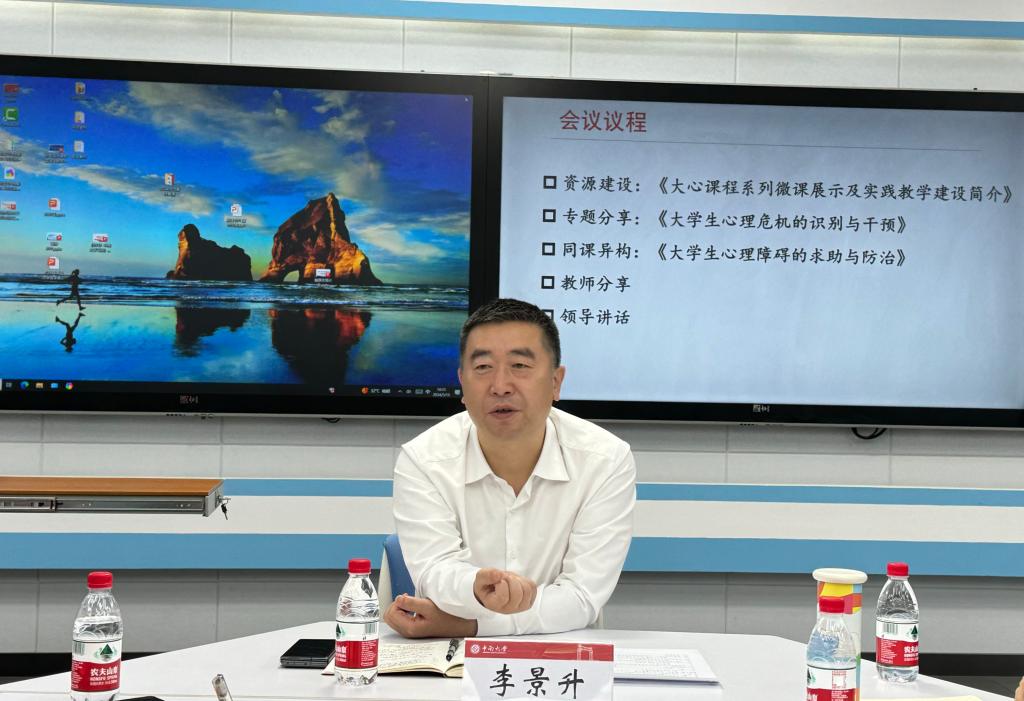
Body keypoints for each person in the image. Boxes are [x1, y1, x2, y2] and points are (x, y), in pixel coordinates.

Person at [384, 298, 636, 638]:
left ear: (556, 382)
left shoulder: (606, 460)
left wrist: (472, 624)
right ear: (461, 383)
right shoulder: (423, 460)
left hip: (560, 653)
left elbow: (580, 596)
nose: (500, 385)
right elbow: (435, 572)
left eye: (519, 365)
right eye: (483, 367)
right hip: (451, 657)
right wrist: (475, 587)